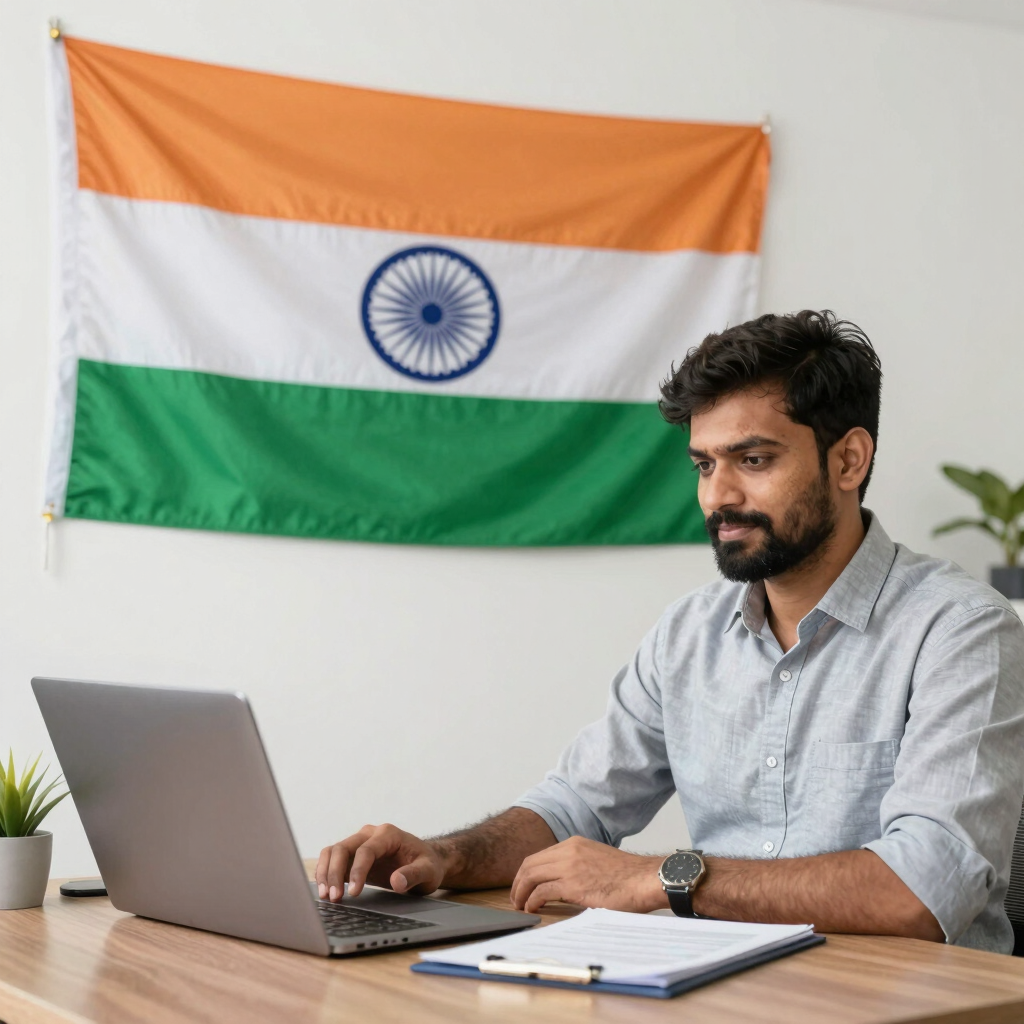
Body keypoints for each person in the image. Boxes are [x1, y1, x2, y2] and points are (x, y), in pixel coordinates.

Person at [316, 310, 1024, 952]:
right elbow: (577, 806)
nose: (718, 495)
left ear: (848, 459)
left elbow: (922, 889)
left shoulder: (960, 630)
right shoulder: (689, 633)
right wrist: (444, 858)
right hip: (723, 993)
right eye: (704, 465)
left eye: (753, 460)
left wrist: (666, 877)